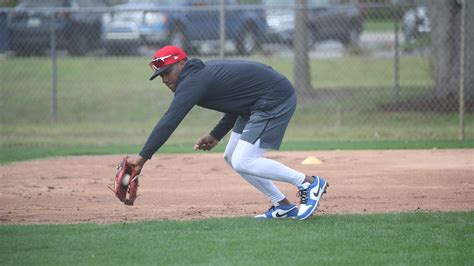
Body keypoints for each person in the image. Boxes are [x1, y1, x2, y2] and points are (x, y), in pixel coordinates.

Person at [129, 45, 328, 220]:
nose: (164, 79)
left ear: (181, 64)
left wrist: (142, 158)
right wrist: (216, 135)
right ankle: (283, 206)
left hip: (274, 98)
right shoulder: (196, 76)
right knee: (231, 156)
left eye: (167, 72)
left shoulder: (193, 81)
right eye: (160, 75)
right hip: (256, 102)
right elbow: (237, 100)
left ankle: (309, 183)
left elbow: (170, 120)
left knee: (244, 160)